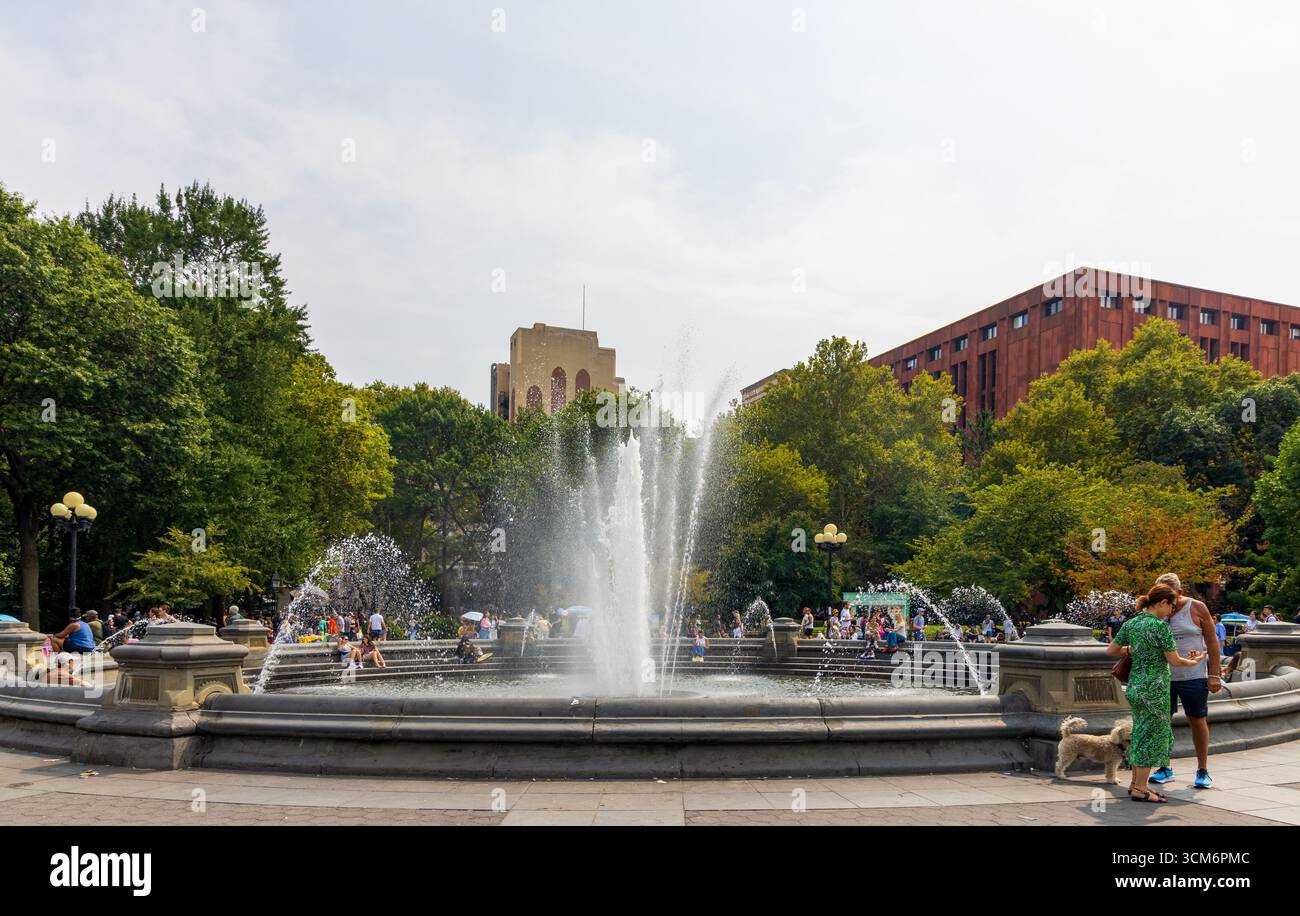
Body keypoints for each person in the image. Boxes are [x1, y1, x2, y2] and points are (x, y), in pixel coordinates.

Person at [1106, 583, 1205, 802]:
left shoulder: (1132, 624)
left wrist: (1133, 648)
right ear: (1162, 602)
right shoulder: (1160, 627)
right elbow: (1175, 661)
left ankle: (1135, 784)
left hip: (1135, 687)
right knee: (1152, 736)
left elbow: (1111, 650)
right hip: (1155, 688)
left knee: (1140, 732)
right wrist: (1194, 661)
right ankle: (1141, 788)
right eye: (1171, 606)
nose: (1171, 611)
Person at [1149, 573, 1221, 790]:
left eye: (1169, 597)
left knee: (1197, 720)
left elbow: (1212, 641)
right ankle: (1164, 767)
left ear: (1179, 593)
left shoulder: (1197, 608)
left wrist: (1214, 674)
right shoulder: (1156, 610)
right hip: (1164, 675)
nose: (1166, 603)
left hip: (1194, 675)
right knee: (1162, 720)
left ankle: (1202, 770)